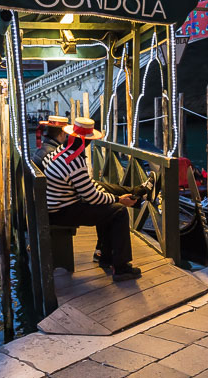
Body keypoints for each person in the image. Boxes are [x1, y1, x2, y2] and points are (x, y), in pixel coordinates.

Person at [43, 117, 142, 281]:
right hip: (62, 211)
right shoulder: (75, 161)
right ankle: (121, 268)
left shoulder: (58, 152)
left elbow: (87, 190)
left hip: (55, 205)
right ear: (87, 142)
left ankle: (106, 257)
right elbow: (91, 197)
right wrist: (118, 199)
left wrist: (110, 196)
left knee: (107, 204)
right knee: (118, 211)